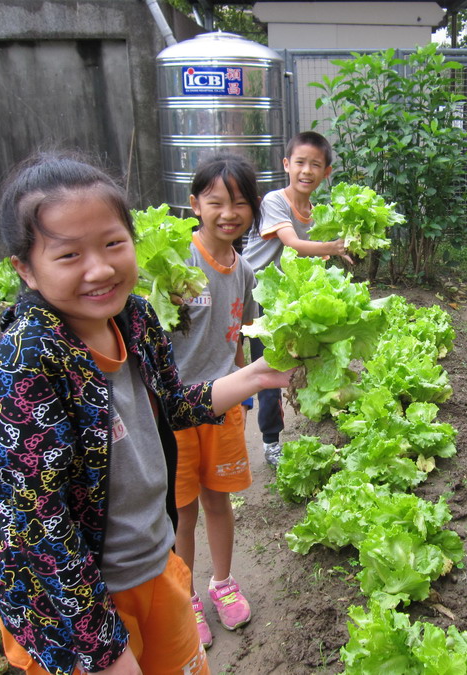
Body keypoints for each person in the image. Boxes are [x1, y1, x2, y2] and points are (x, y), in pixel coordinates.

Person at [0, 152, 292, 675]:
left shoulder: (137, 319)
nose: (99, 268)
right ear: (25, 270)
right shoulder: (26, 363)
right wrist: (104, 652)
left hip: (154, 566)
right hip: (79, 607)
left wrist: (256, 377)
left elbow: (173, 404)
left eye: (112, 244)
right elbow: (41, 527)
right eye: (68, 255)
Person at [168, 153, 260, 649]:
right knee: (182, 510)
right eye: (216, 202)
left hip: (223, 405)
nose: (229, 212)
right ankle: (184, 599)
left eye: (240, 203)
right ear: (195, 206)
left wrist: (247, 389)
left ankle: (222, 582)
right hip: (177, 409)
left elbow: (239, 337)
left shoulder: (242, 268)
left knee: (218, 501)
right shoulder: (178, 262)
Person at [241, 130, 351, 466]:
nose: (306, 171)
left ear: (326, 172)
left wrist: (335, 255)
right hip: (258, 294)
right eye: (300, 163)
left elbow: (313, 262)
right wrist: (332, 246)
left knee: (300, 365)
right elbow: (291, 243)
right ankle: (271, 441)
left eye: (315, 165)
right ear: (286, 164)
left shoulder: (318, 213)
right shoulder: (275, 201)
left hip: (289, 299)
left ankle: (306, 424)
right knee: (268, 368)